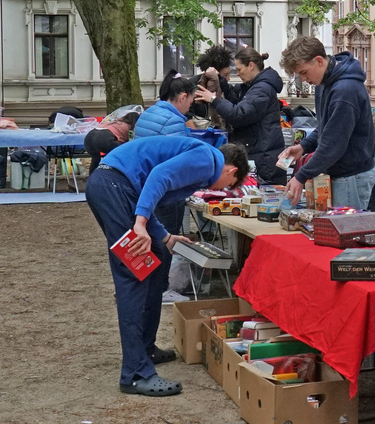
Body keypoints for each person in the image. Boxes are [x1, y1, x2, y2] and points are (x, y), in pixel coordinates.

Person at [88, 136, 248, 396]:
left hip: (115, 185)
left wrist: (164, 237)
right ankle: (135, 374)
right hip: (113, 185)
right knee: (134, 274)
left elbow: (146, 194)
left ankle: (146, 349)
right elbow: (158, 177)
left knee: (157, 260)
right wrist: (140, 224)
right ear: (232, 171)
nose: (222, 189)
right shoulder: (208, 160)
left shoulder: (202, 160)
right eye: (228, 185)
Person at [278, 37, 375, 209]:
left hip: (351, 176)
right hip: (342, 173)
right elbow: (326, 126)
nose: (303, 79)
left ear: (318, 61)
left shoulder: (345, 90)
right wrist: (303, 147)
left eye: (304, 72)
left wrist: (301, 176)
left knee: (347, 233)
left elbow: (333, 145)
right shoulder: (324, 82)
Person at [195, 46, 285, 183]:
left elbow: (239, 115)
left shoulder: (261, 89)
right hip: (260, 155)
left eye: (239, 70)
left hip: (263, 161)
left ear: (251, 66)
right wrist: (220, 80)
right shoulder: (254, 86)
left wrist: (213, 99)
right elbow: (235, 98)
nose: (237, 74)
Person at [135, 74, 196, 138]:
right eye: (190, 103)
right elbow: (178, 147)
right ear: (183, 97)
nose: (188, 109)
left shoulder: (148, 112)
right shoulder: (174, 121)